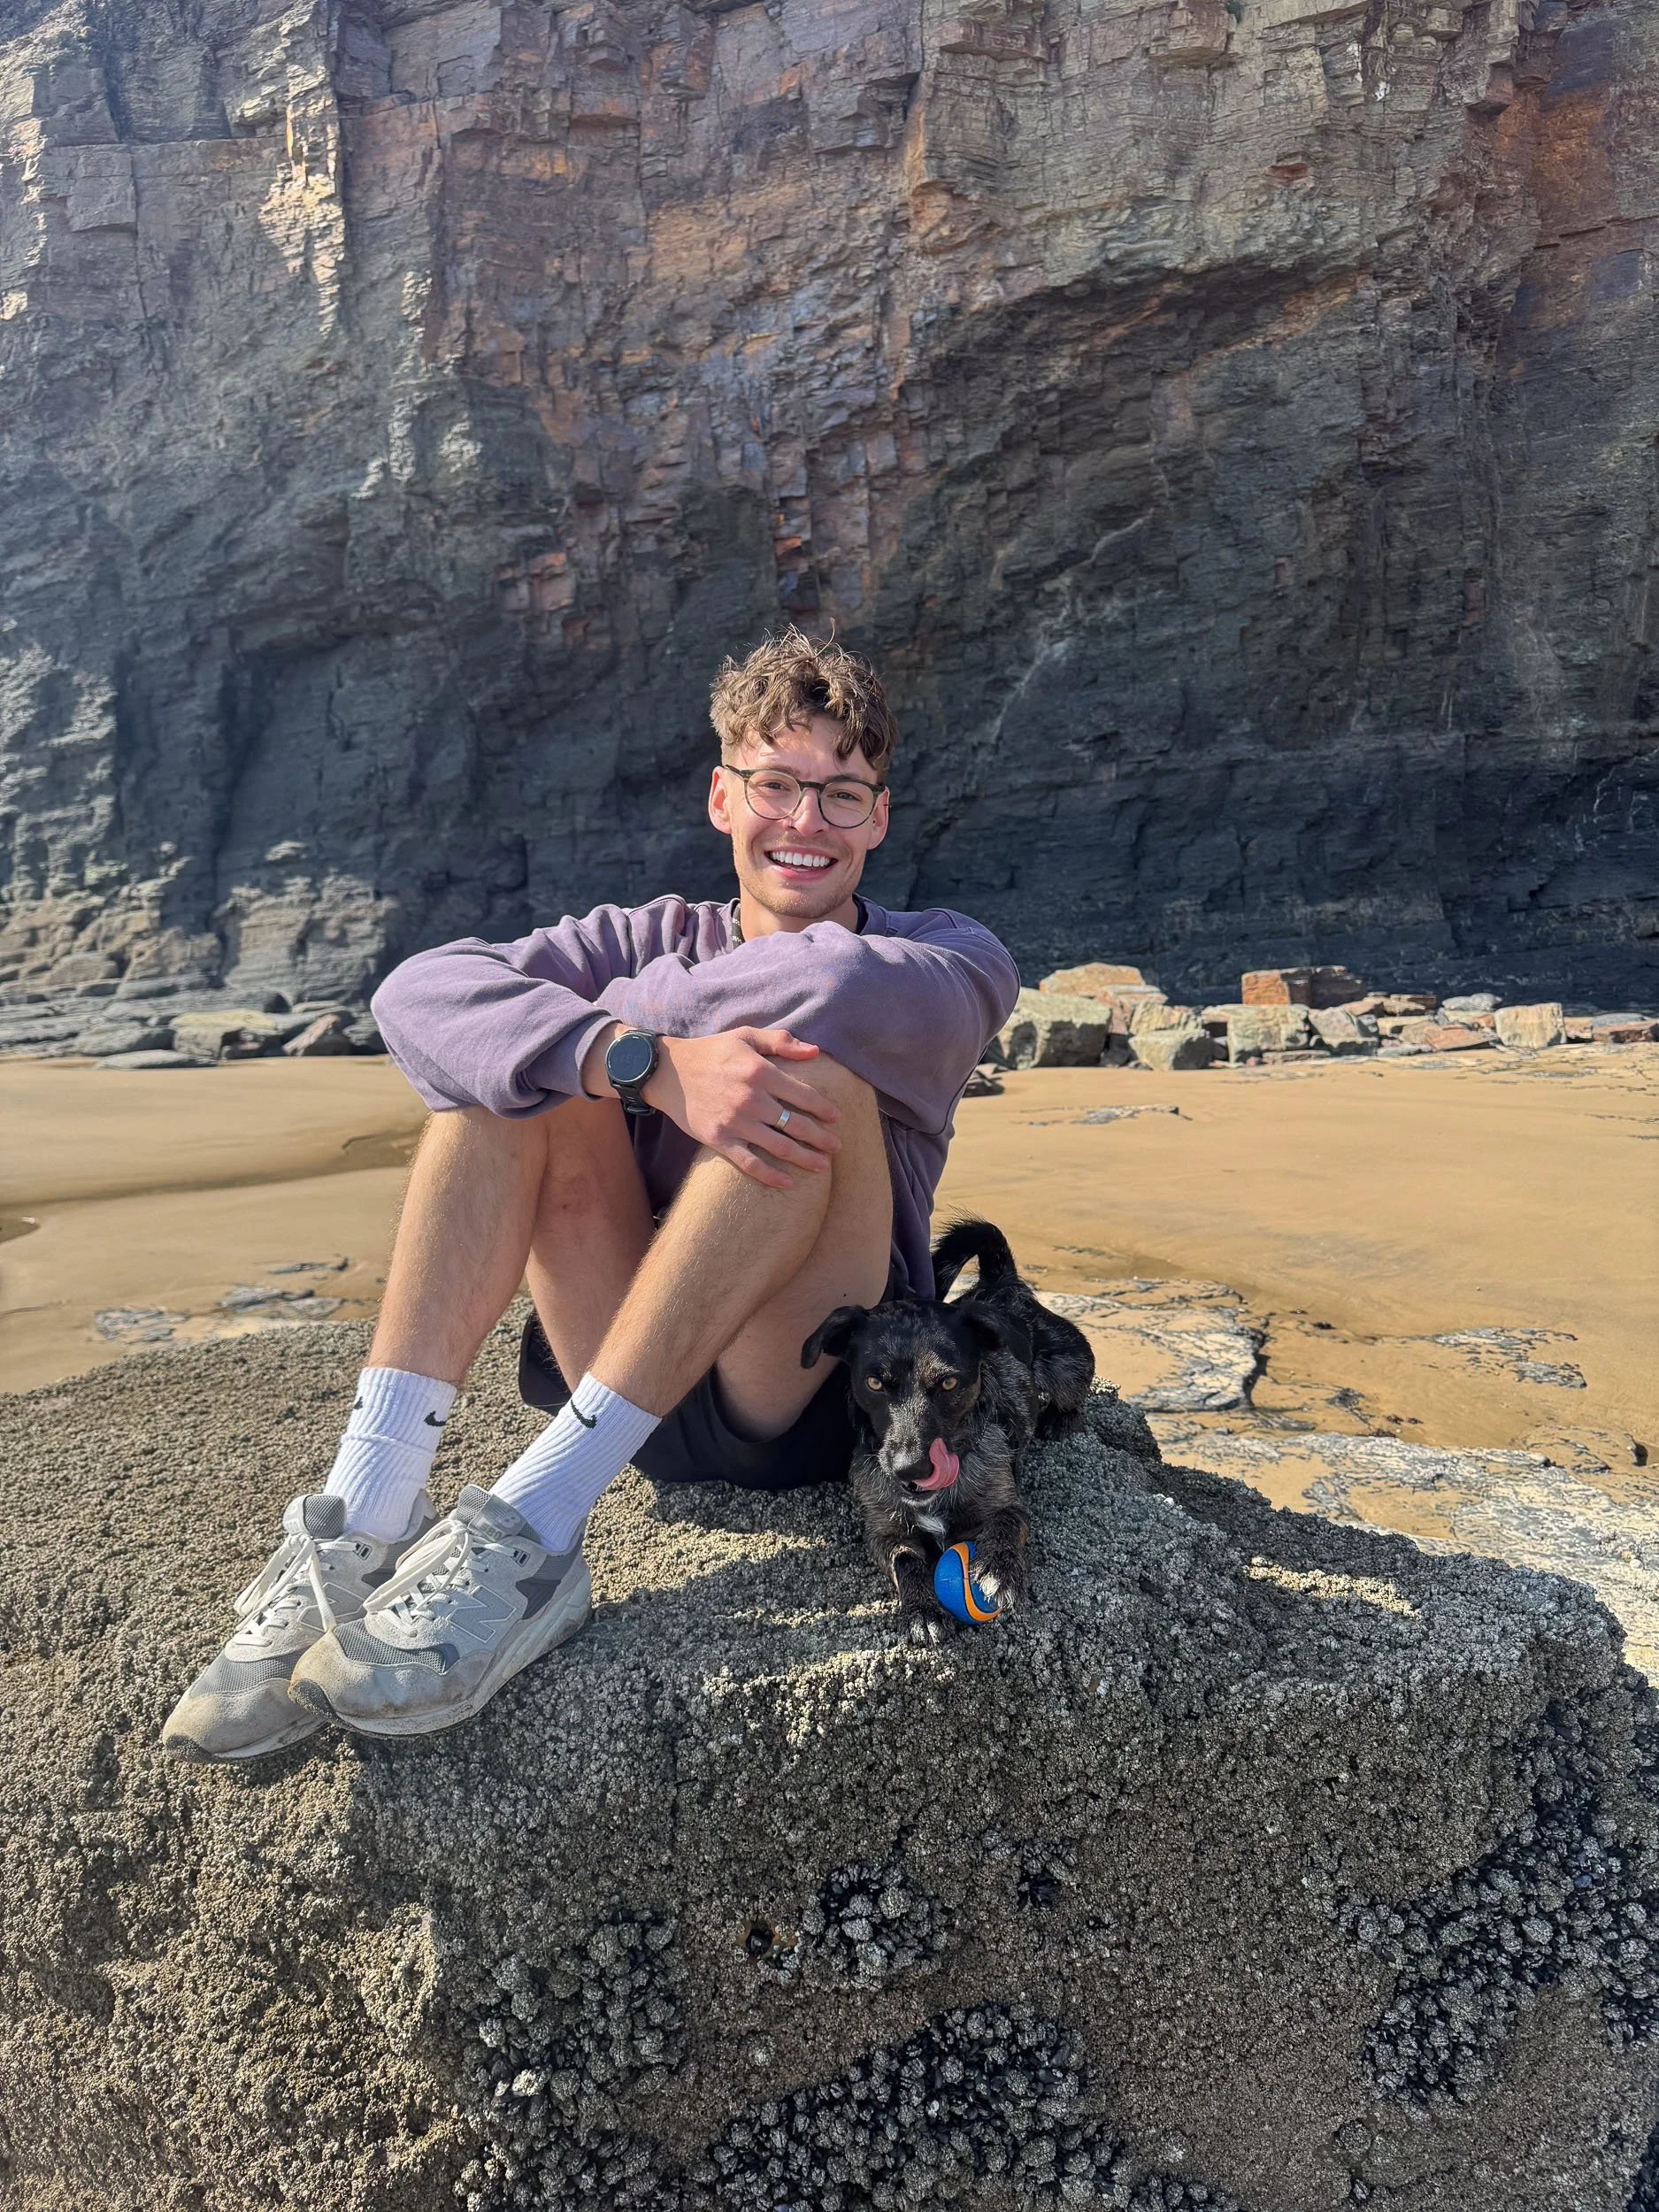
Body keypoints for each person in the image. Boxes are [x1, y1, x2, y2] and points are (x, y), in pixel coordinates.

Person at [162, 630, 1019, 1758]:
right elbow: (418, 995)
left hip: (811, 1389)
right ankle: (367, 1511)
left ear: (880, 816)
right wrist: (636, 1060)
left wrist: (622, 1022)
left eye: (840, 794)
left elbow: (831, 981)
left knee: (801, 1077)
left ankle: (534, 1524)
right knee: (505, 1082)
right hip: (623, 1375)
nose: (805, 821)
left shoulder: (950, 958)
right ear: (723, 797)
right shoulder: (641, 939)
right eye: (776, 785)